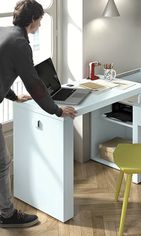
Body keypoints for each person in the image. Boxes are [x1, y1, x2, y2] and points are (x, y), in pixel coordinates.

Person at [0, 0, 77, 228]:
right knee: (3, 162)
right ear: (33, 20)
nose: (41, 25)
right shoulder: (21, 45)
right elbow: (34, 83)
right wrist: (57, 110)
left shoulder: (4, 33)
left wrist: (14, 97)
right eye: (40, 20)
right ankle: (7, 214)